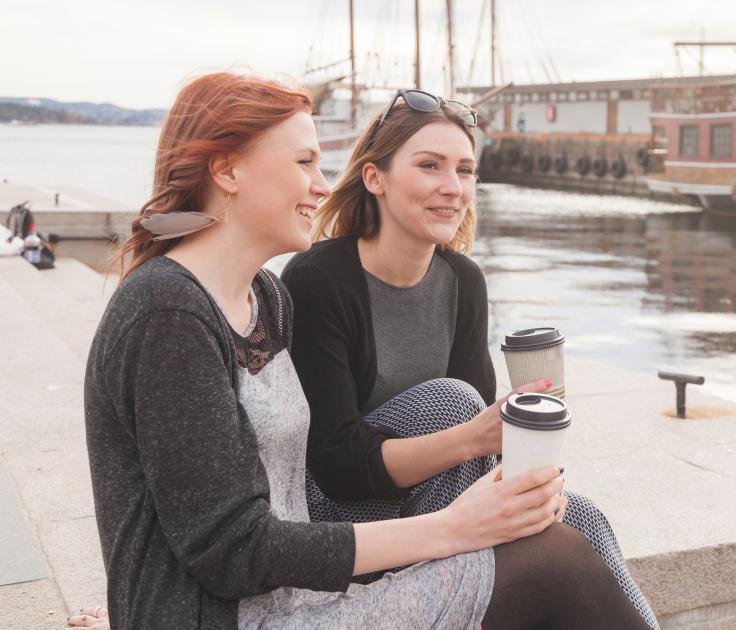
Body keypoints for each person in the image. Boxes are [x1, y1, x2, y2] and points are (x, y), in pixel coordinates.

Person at [71, 72, 647, 630]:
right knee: (553, 564)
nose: (322, 185)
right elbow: (231, 550)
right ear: (227, 169)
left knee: (569, 528)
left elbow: (281, 501)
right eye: (304, 162)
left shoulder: (264, 296)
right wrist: (454, 528)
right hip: (228, 616)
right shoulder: (168, 313)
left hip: (297, 594)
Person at [281, 89, 659, 628]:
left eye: (464, 169)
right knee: (450, 403)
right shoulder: (319, 279)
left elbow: (481, 450)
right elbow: (336, 463)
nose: (452, 188)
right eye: (429, 166)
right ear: (374, 178)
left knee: (581, 517)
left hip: (446, 499)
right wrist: (475, 436)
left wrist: (529, 456)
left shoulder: (462, 280)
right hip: (345, 521)